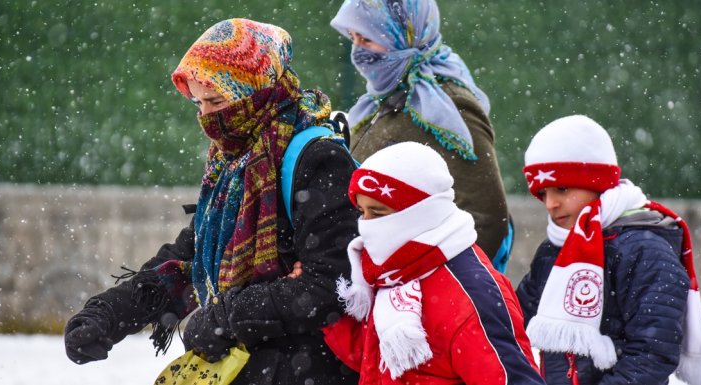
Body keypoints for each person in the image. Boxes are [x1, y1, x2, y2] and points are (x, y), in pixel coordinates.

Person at [63, 18, 360, 385]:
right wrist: (108, 314)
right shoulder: (235, 163)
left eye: (217, 101)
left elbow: (334, 285)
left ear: (257, 88)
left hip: (311, 371)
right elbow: (188, 257)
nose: (207, 118)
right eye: (199, 104)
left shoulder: (316, 159)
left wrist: (226, 318)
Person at [515, 115, 701, 385]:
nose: (550, 204)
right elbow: (512, 321)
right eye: (542, 194)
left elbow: (652, 352)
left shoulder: (645, 250)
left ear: (596, 182)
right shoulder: (556, 249)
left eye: (562, 189)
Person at [322, 142, 545, 384]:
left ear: (418, 213)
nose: (365, 226)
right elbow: (380, 361)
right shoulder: (394, 272)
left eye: (377, 214)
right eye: (362, 212)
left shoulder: (471, 293)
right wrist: (324, 310)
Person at [329, 0, 511, 265]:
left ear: (402, 37)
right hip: (372, 277)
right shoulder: (379, 101)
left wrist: (430, 283)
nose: (358, 52)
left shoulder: (446, 105)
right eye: (353, 38)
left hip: (413, 291)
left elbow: (487, 218)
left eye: (367, 39)